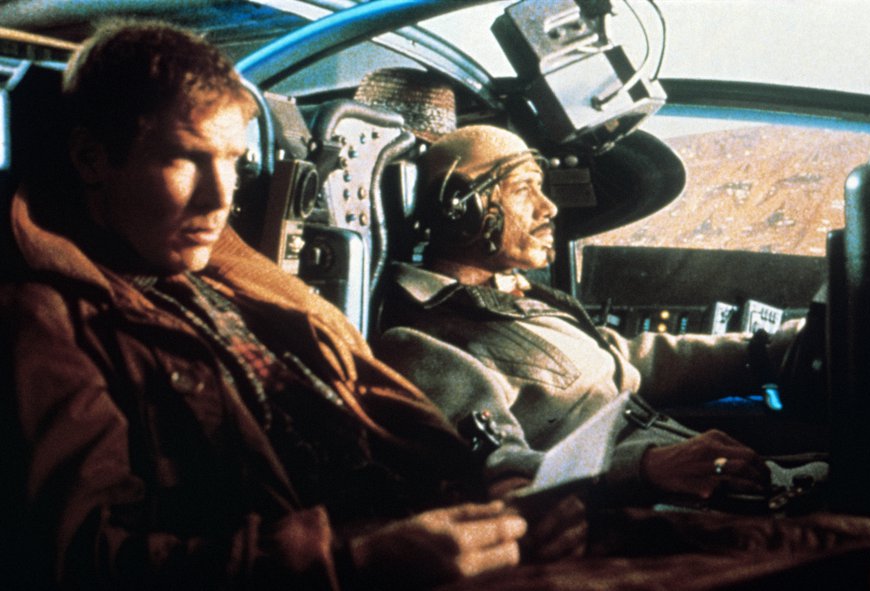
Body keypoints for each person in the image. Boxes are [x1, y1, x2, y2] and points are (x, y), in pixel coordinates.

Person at [0, 22, 571, 590]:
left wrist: (494, 492)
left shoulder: (233, 277)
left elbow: (370, 415)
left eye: (232, 161)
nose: (219, 198)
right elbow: (80, 560)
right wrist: (356, 562)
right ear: (91, 159)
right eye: (185, 159)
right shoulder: (42, 321)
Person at [374, 124, 806, 504]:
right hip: (646, 513)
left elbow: (631, 361)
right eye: (524, 189)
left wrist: (770, 349)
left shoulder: (516, 301)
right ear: (460, 209)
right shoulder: (421, 339)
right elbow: (502, 472)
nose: (549, 207)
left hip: (726, 488)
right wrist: (647, 466)